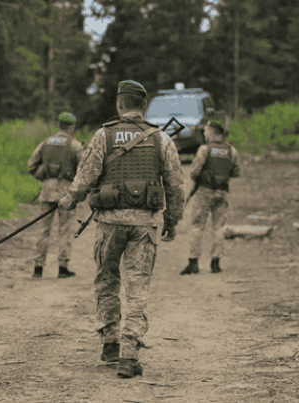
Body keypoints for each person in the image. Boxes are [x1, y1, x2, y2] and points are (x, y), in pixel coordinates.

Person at [57, 80, 185, 378]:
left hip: (110, 223)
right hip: (144, 225)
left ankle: (110, 343)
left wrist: (69, 199)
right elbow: (176, 185)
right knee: (137, 287)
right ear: (143, 106)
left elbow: (85, 176)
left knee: (107, 280)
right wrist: (173, 220)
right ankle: (130, 354)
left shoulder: (103, 135)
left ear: (119, 104)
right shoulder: (162, 139)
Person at [27, 112, 84, 278]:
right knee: (65, 230)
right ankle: (63, 268)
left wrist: (44, 176)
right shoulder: (75, 145)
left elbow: (31, 165)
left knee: (43, 230)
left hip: (47, 191)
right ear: (72, 127)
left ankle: (38, 268)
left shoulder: (45, 143)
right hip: (67, 192)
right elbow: (84, 169)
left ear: (59, 125)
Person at [181, 121, 240, 275]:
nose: (204, 135)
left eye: (206, 132)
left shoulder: (204, 150)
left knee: (197, 226)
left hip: (204, 192)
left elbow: (194, 172)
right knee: (218, 228)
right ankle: (216, 263)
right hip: (222, 193)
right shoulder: (232, 151)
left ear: (213, 133)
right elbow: (235, 173)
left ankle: (193, 262)